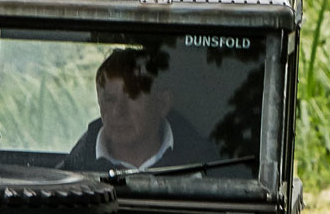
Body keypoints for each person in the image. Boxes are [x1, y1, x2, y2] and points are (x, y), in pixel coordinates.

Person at [64, 48, 219, 172]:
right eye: (110, 99)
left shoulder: (204, 169)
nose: (118, 111)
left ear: (163, 103)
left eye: (133, 96)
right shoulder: (74, 173)